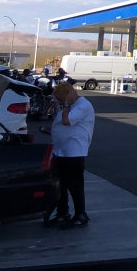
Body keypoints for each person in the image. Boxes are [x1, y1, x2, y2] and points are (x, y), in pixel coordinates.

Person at [47, 82, 95, 229]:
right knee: (61, 185)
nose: (59, 102)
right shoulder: (70, 106)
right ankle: (62, 212)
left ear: (69, 95)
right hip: (61, 151)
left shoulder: (83, 106)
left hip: (74, 152)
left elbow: (66, 121)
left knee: (75, 185)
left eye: (60, 99)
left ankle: (80, 214)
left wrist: (66, 104)